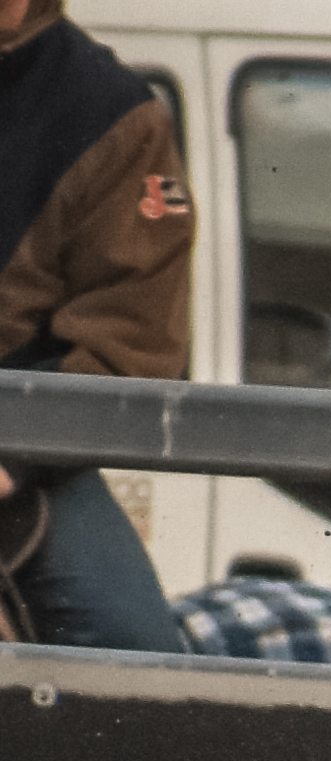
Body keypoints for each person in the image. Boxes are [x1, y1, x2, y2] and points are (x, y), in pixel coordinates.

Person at [0, 0, 192, 652]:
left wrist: (14, 453)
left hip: (19, 430)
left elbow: (133, 339)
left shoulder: (113, 114)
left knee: (134, 656)